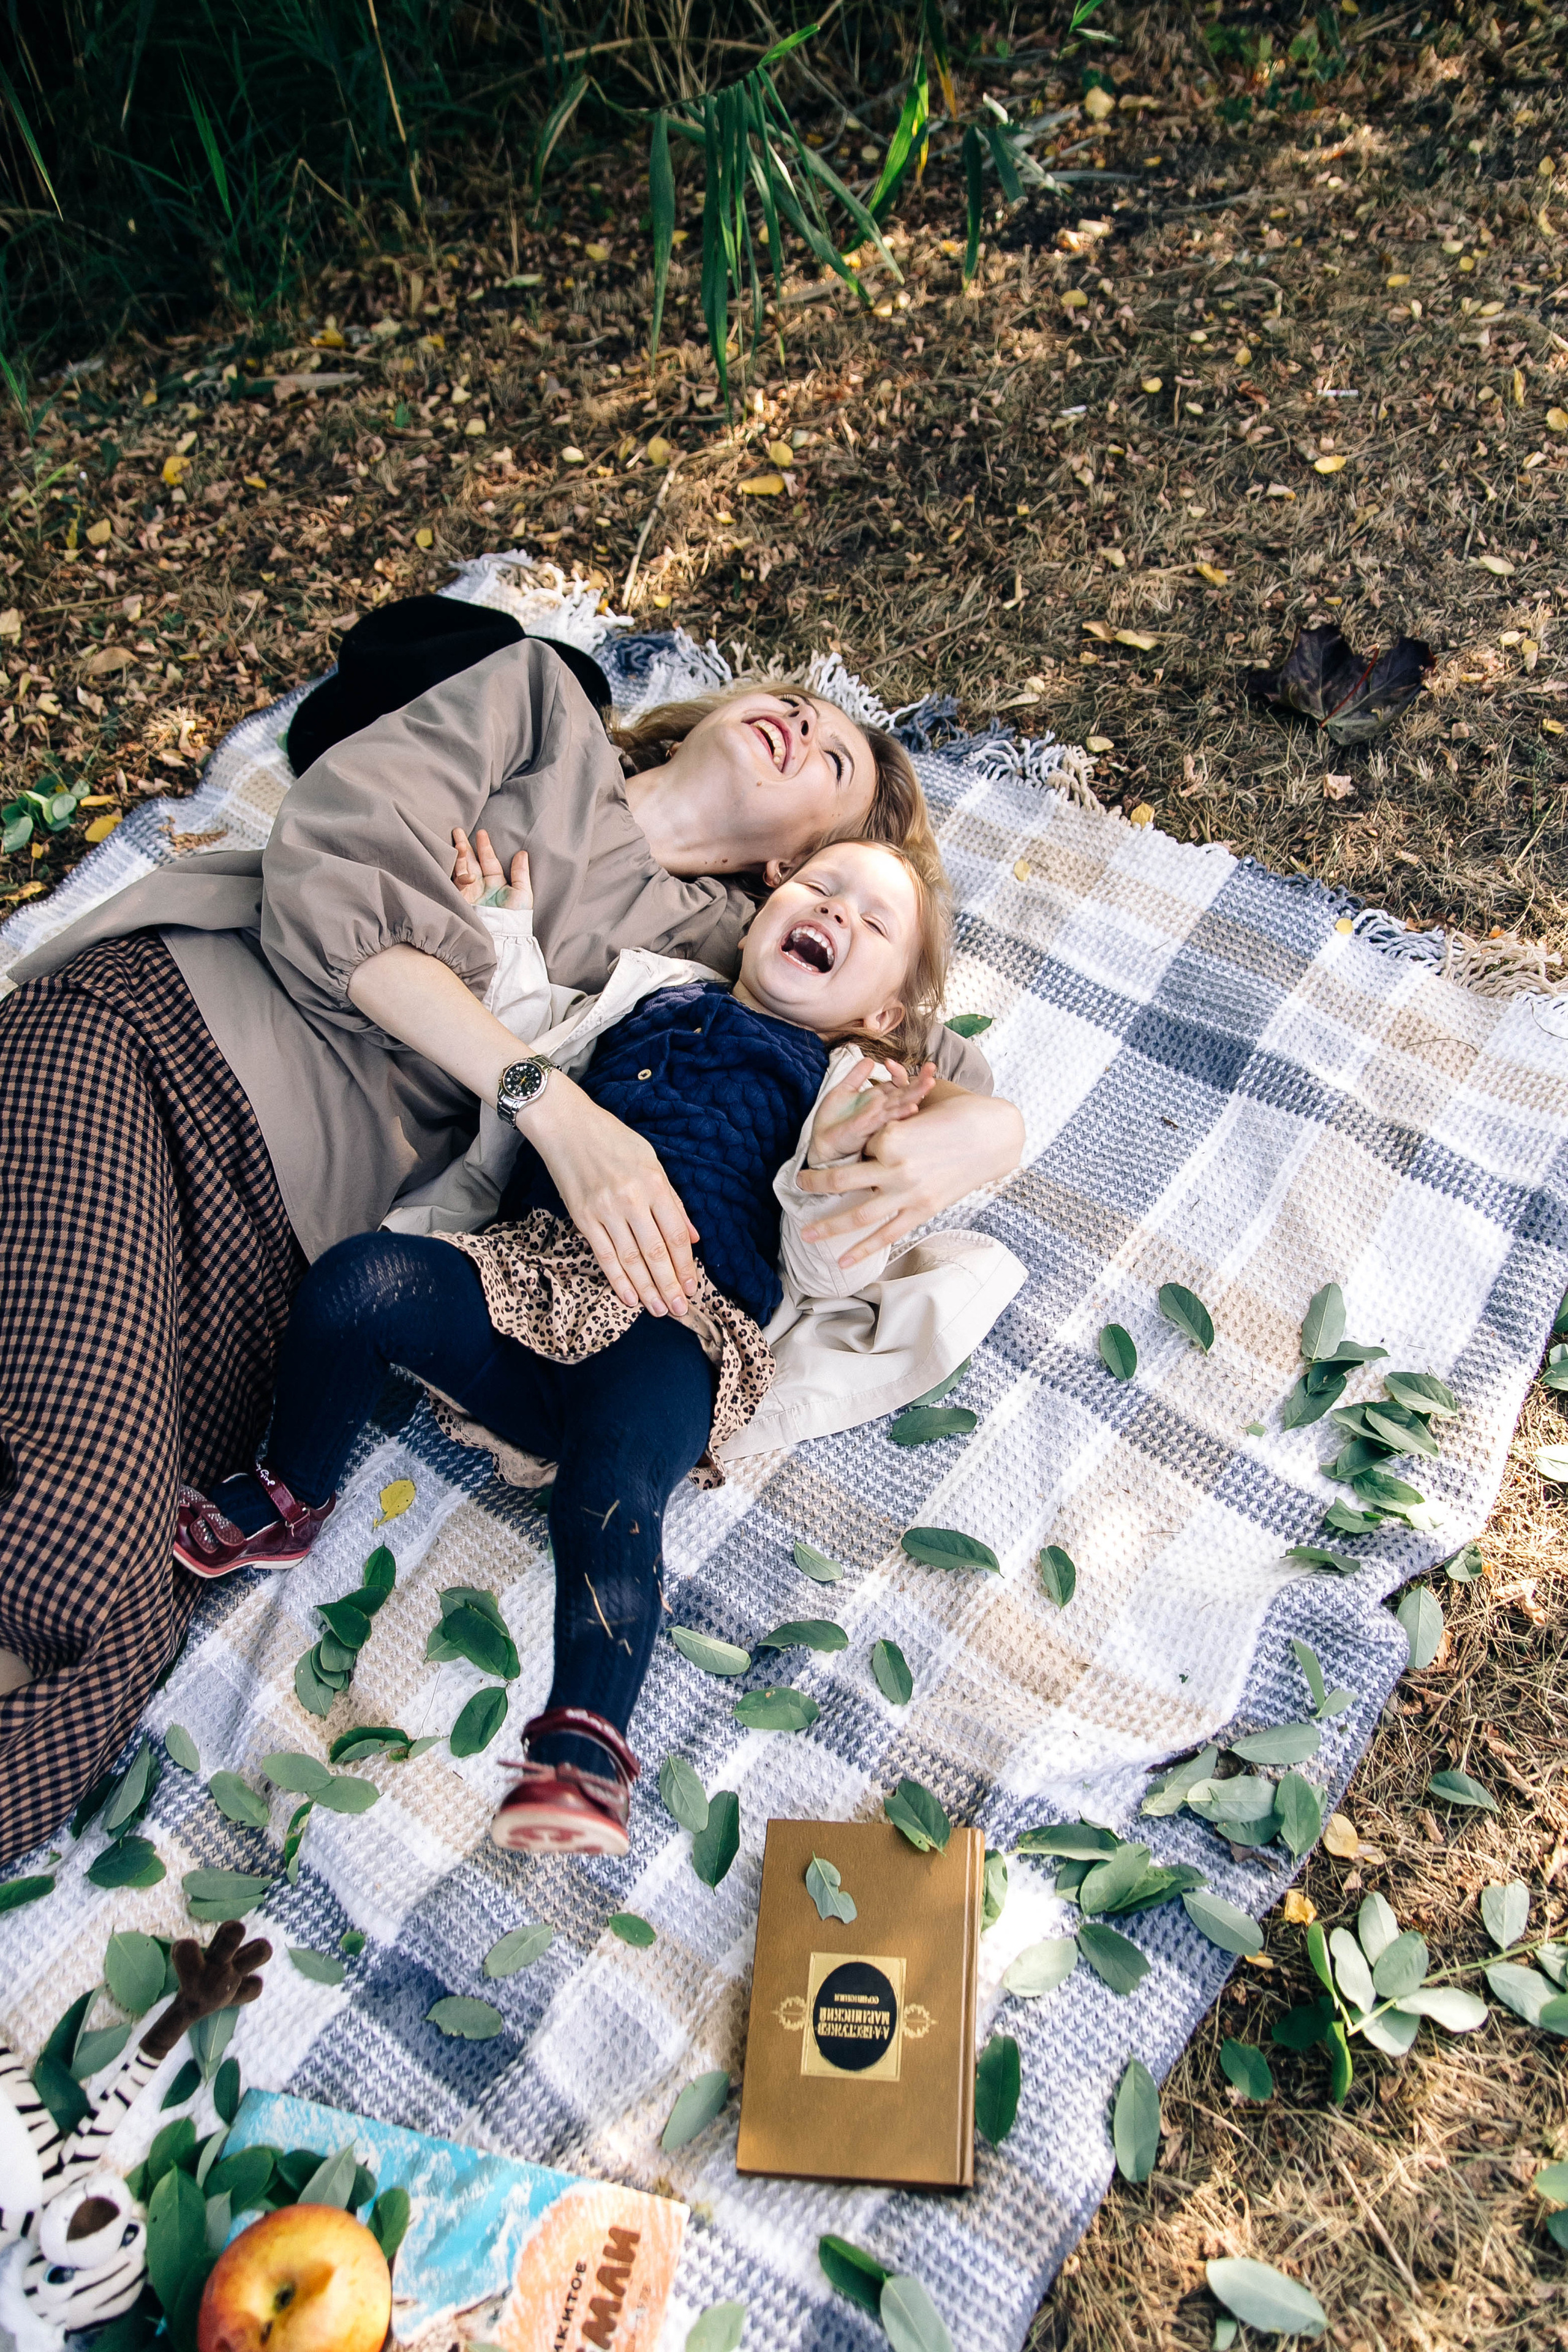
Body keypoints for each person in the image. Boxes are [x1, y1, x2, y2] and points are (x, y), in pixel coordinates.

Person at [0, 637, 1023, 1863]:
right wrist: (555, 1108)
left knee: (111, 1616)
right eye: (795, 702)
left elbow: (918, 1054)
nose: (803, 723)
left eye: (836, 759)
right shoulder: (542, 712)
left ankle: (578, 1749)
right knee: (66, 1543)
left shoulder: (722, 956)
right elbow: (329, 875)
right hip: (166, 1048)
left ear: (790, 862)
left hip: (285, 1234)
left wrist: (992, 1133)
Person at [171, 832, 967, 1859]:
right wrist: (500, 927)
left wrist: (849, 1155)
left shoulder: (839, 1085)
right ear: (758, 920)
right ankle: (291, 1492)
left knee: (613, 1490)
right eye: (820, 885)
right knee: (357, 1283)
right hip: (527, 1279)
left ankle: (584, 1748)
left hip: (673, 1326)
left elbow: (822, 1267)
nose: (834, 910)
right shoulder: (657, 989)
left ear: (884, 1015)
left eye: (872, 921)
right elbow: (529, 1045)